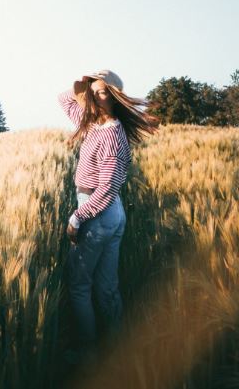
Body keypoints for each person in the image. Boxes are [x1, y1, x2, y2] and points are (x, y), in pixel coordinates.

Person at [57, 69, 161, 365]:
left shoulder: (112, 134)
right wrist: (87, 80)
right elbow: (64, 99)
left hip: (98, 211)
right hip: (108, 212)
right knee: (106, 286)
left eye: (102, 92)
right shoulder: (93, 124)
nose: (94, 95)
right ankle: (117, 350)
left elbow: (108, 187)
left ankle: (88, 352)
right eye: (94, 91)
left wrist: (78, 217)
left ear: (114, 99)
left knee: (79, 284)